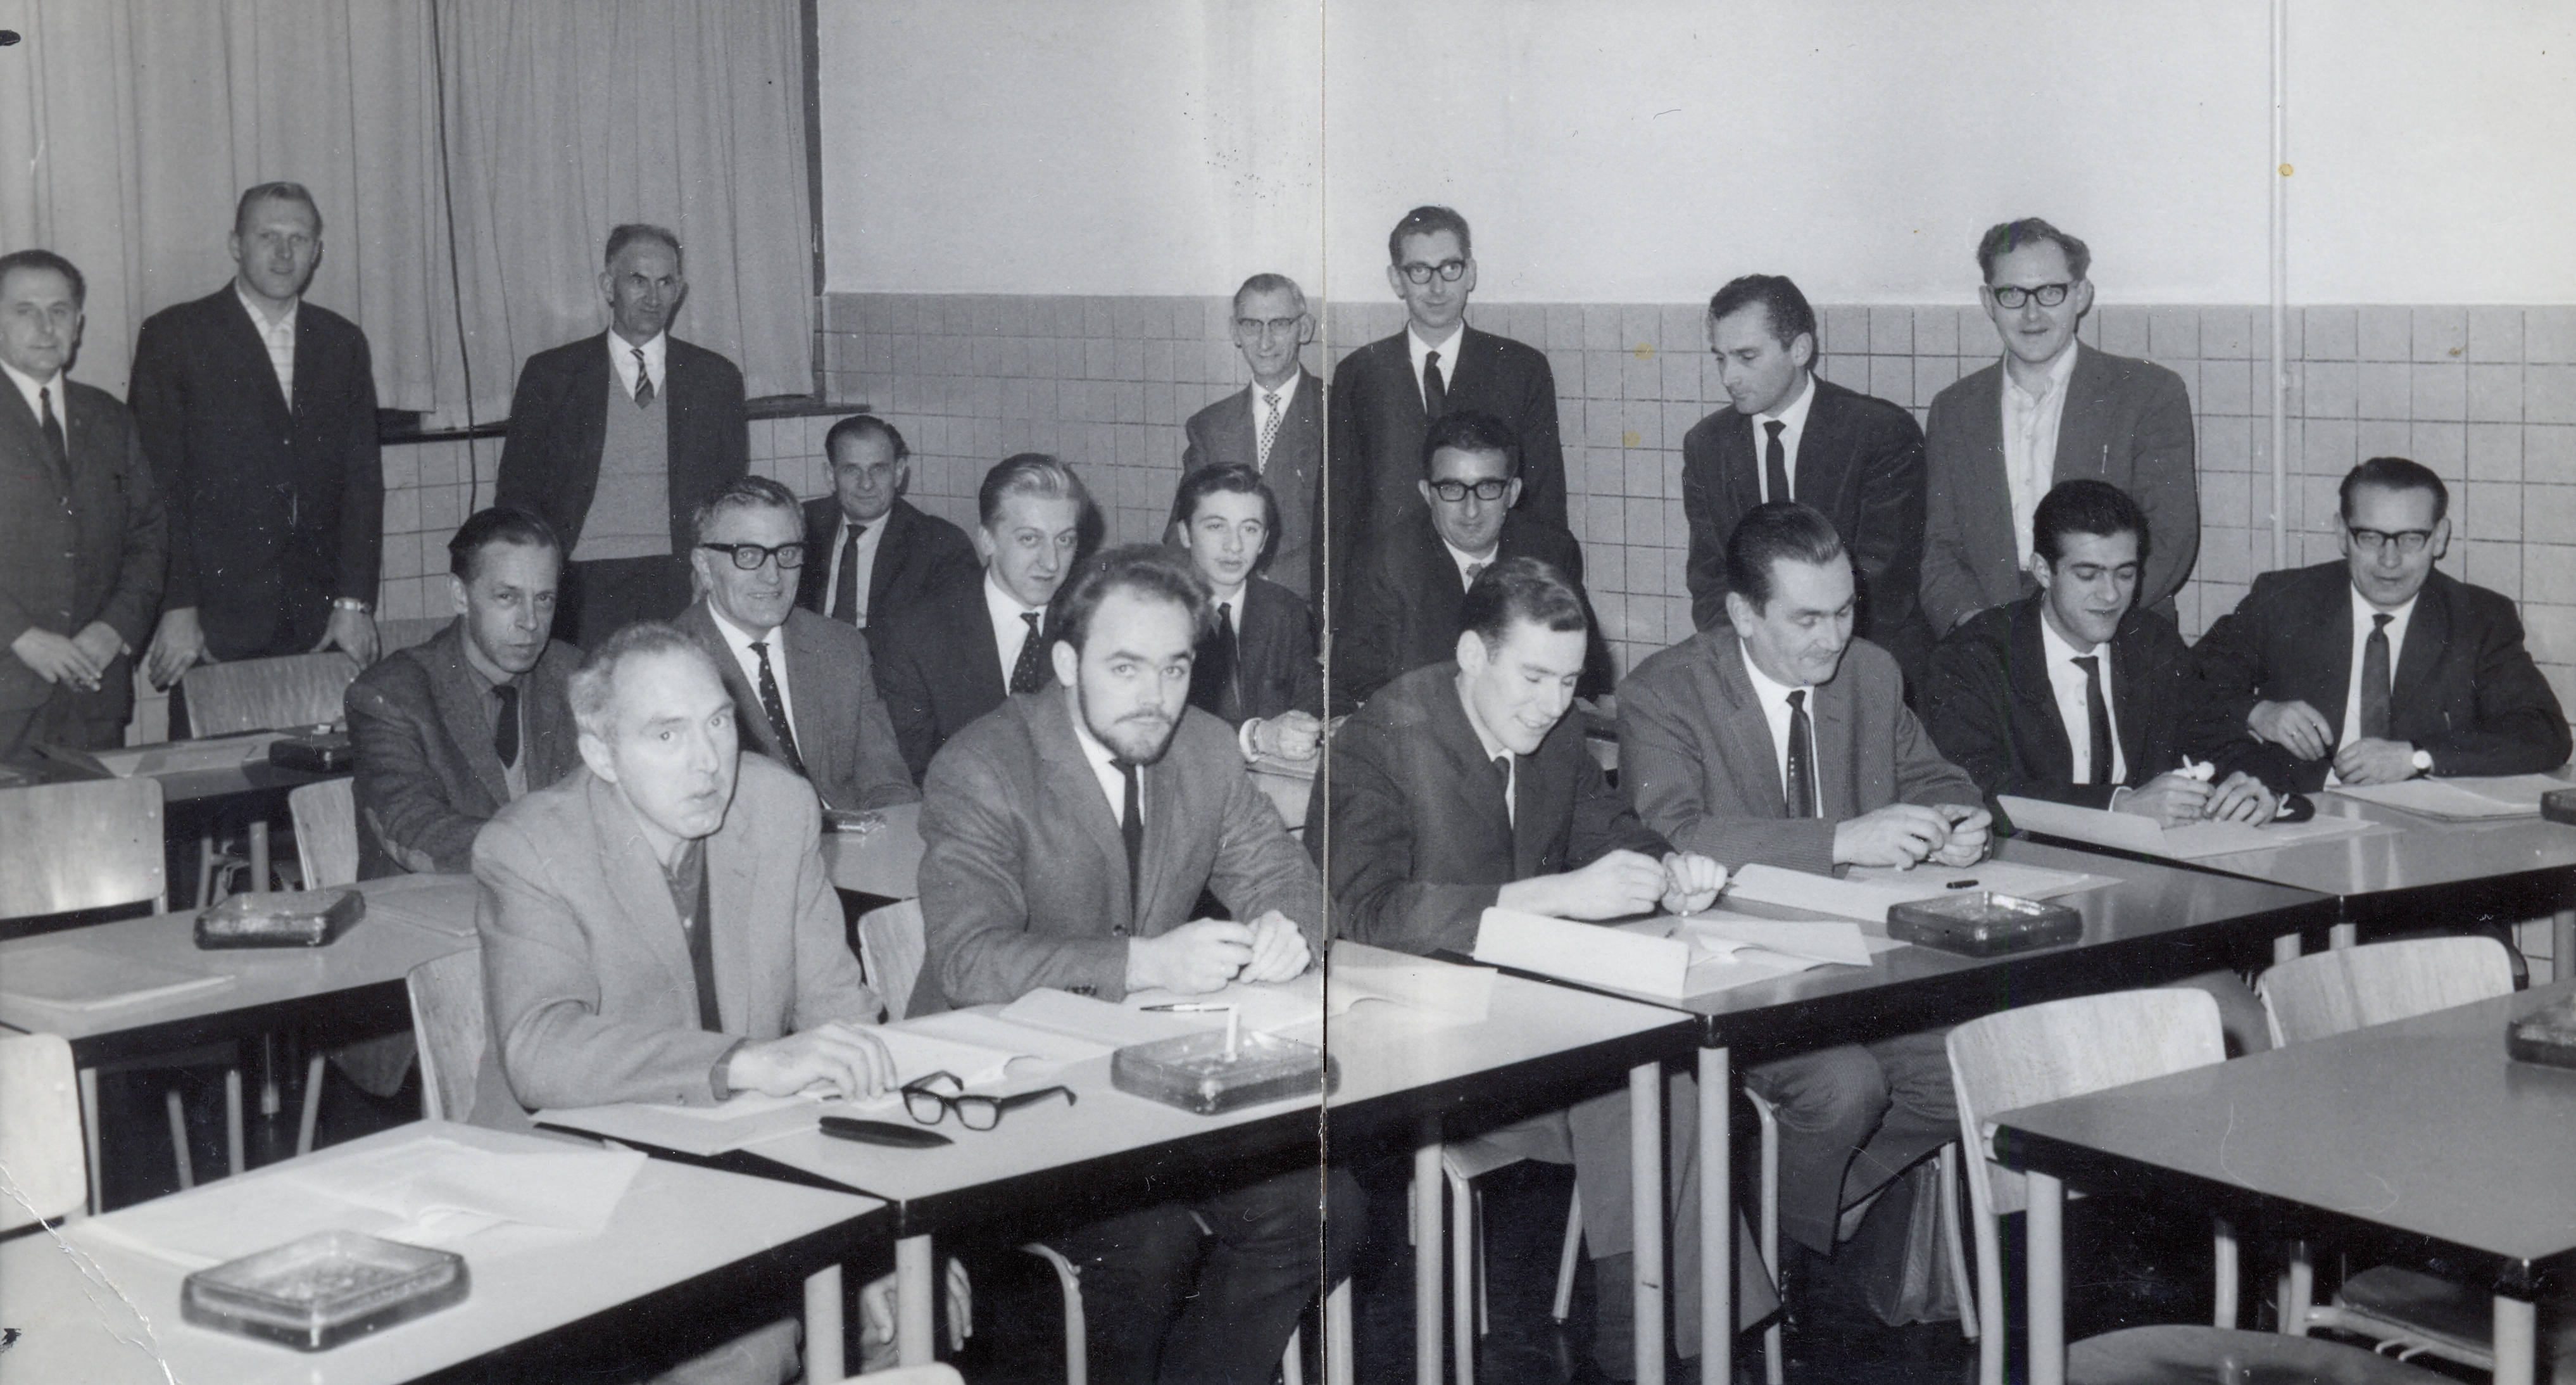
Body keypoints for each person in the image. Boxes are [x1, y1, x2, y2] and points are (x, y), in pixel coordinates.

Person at [912, 544, 1355, 1385]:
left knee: (1324, 1210)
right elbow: (970, 960)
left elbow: (1293, 885)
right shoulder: (984, 764)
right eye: (1125, 668)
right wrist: (1145, 962)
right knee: (1149, 1242)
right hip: (1006, 1093)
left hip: (1147, 1085)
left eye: (1175, 667)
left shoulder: (1206, 749)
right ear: (1067, 663)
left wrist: (1283, 930)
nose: (1156, 697)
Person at [1316, 556, 1769, 1377]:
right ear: (1471, 654)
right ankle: (1663, 1348)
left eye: (1568, 681)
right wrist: (1554, 895)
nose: (1554, 703)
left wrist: (1669, 868)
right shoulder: (1382, 740)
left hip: (1531, 1027)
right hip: (1414, 1043)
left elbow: (1614, 832)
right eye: (1533, 677)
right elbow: (1365, 915)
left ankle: (1657, 1343)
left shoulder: (1553, 733)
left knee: (1660, 1082)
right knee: (1641, 1085)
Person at [472, 622, 891, 1385]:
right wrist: (745, 1063)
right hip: (578, 1182)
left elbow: (839, 1013)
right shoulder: (529, 847)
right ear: (601, 755)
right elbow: (540, 1051)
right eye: (667, 735)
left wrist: (881, 1238)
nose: (708, 762)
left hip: (734, 1171)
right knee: (751, 1352)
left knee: (913, 1303)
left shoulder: (779, 806)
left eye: (718, 723)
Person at [1619, 501, 1983, 1298]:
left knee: (1976, 1061)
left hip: (1858, 967)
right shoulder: (1663, 693)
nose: (1833, 638)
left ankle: (1794, 1212)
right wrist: (1842, 839)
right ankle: (1781, 1248)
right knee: (1845, 1086)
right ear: (1742, 614)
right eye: (1807, 619)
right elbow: (1675, 833)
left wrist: (1958, 820)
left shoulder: (1871, 674)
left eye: (1845, 611)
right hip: (1731, 979)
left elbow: (1938, 778)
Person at [1920, 479, 2275, 1052]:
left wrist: (2251, 784)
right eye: (2087, 574)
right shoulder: (1975, 657)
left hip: (2147, 915)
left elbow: (2217, 737)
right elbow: (1976, 789)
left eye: (2125, 574)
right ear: (2042, 569)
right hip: (2031, 923)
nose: (2110, 596)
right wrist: (2117, 806)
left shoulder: (2149, 642)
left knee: (2247, 1030)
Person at [2187, 456, 2571, 794]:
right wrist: (2258, 711)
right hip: (2302, 810)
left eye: (2410, 539)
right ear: (2342, 533)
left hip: (2422, 825)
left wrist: (2417, 756)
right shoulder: (2283, 600)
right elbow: (2186, 679)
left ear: (2439, 538)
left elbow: (2543, 732)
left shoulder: (2479, 618)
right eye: (2370, 537)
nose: (2389, 560)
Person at [131, 183, 382, 698]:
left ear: (317, 251)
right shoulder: (175, 337)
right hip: (212, 623)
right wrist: (177, 607)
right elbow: (157, 488)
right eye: (268, 236)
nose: (284, 253)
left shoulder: (342, 342)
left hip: (319, 621)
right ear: (235, 245)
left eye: (299, 238)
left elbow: (361, 484)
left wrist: (354, 603)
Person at [1920, 218, 2198, 634]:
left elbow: (2171, 538)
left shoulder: (2148, 393)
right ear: (1988, 301)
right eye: (2012, 294)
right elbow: (1939, 547)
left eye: (2051, 292)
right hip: (1994, 631)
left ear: (2081, 295)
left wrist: (2079, 619)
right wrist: (1977, 628)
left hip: (2118, 626)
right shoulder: (1954, 409)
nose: (2032, 313)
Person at [496, 224, 748, 648]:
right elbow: (516, 490)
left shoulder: (715, 378)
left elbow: (729, 493)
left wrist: (710, 570)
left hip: (678, 574)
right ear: (608, 286)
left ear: (679, 290)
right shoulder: (552, 375)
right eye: (638, 281)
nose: (653, 297)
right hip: (579, 575)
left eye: (665, 282)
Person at [1682, 274, 1932, 681]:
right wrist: (1754, 667)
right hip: (1758, 663)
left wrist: (1806, 656)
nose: (1729, 377)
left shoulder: (1879, 432)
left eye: (1747, 357)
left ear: (1799, 349)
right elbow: (1710, 577)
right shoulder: (1707, 445)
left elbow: (1884, 581)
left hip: (1861, 660)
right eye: (1721, 358)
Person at [1326, 206, 1564, 616]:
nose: (1437, 287)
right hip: (1390, 598)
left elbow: (1544, 500)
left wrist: (1543, 608)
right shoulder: (1359, 373)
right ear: (1396, 280)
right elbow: (1336, 506)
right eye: (1419, 270)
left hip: (1495, 596)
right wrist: (1332, 619)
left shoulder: (1521, 368)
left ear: (1470, 273)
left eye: (1450, 268)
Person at [346, 507, 581, 878]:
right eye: (507, 597)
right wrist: (546, 851)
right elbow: (415, 829)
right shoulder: (389, 695)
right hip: (431, 905)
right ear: (460, 596)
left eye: (544, 599)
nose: (530, 622)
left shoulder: (576, 676)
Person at [0, 249, 166, 758]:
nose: (46, 326)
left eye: (60, 310)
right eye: (25, 310)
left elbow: (149, 538)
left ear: (79, 324)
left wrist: (115, 629)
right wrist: (20, 636)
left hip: (94, 690)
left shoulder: (110, 417)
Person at [1331, 410, 1607, 714]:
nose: (1471, 510)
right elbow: (1357, 683)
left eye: (1488, 488)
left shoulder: (1550, 551)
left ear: (1513, 493)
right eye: (1452, 489)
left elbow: (1587, 671)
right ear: (1427, 494)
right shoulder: (1386, 563)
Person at [675, 476, 917, 813]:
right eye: (748, 555)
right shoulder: (673, 665)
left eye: (787, 552)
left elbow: (887, 783)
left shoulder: (840, 647)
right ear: (704, 566)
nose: (773, 575)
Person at [871, 453, 1090, 780]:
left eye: (1065, 540)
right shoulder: (918, 634)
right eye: (1030, 539)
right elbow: (918, 768)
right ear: (987, 540)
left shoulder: (1093, 625)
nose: (1052, 562)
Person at [1181, 274, 1323, 603]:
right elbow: (1182, 531)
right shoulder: (1209, 426)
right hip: (1223, 605)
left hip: (1309, 608)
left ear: (1304, 328)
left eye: (1280, 324)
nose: (1265, 342)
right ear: (1235, 331)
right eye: (1251, 325)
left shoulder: (1339, 413)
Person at [1167, 464, 1320, 763]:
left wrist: (1333, 719)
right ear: (1185, 534)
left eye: (1249, 529)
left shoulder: (1285, 609)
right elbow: (1169, 723)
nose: (1234, 545)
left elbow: (1313, 691)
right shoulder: (1160, 613)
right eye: (1216, 526)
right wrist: (1256, 737)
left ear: (1264, 541)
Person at [793, 413, 977, 656]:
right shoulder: (799, 525)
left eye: (878, 469)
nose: (866, 484)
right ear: (830, 475)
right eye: (851, 470)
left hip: (889, 671)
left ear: (899, 472)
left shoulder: (941, 545)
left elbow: (950, 639)